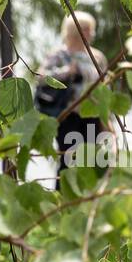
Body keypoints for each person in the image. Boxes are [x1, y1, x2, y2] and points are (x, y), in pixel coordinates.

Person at [35, 11, 108, 165]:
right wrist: (67, 72)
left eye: (90, 29)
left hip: (92, 115)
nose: (90, 33)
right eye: (86, 29)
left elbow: (105, 86)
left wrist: (107, 120)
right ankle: (63, 188)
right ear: (75, 31)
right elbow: (41, 78)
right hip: (68, 115)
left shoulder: (97, 57)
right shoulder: (59, 55)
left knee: (91, 161)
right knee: (69, 160)